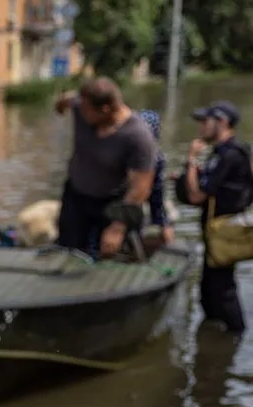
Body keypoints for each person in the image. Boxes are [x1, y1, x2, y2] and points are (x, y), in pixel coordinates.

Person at [54, 78, 157, 257]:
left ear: (105, 110)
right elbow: (69, 101)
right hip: (76, 196)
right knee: (68, 251)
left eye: (86, 110)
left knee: (110, 255)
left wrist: (117, 227)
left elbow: (141, 188)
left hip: (112, 203)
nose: (80, 112)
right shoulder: (81, 106)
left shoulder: (137, 137)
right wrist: (61, 104)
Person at [177, 101, 252, 333]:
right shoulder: (224, 153)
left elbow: (198, 195)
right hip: (217, 231)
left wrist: (191, 161)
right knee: (208, 293)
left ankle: (236, 342)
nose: (201, 127)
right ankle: (215, 349)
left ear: (222, 123)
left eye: (205, 121)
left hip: (223, 233)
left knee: (222, 291)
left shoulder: (229, 155)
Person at [137, 109, 177, 242]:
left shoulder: (156, 158)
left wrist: (162, 223)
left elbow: (156, 192)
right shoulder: (156, 157)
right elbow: (156, 194)